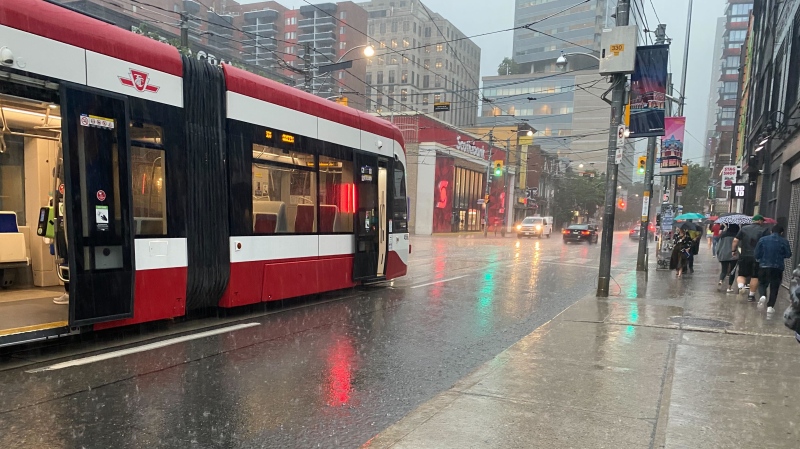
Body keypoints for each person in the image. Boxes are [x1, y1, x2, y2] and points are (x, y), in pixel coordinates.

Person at [754, 224, 792, 314]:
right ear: (782, 232)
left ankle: (763, 296)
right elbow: (788, 254)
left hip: (764, 265)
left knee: (762, 283)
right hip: (778, 267)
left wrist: (760, 258)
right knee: (774, 287)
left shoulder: (763, 240)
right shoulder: (784, 241)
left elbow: (757, 254)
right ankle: (770, 307)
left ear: (771, 231)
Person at [732, 214, 770, 301]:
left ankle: (741, 287)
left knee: (741, 274)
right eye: (762, 221)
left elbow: (735, 240)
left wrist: (733, 251)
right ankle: (751, 296)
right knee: (755, 276)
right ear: (760, 221)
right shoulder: (765, 230)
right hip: (757, 257)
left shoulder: (744, 229)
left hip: (744, 255)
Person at [716, 223, 740, 292]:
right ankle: (729, 288)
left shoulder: (723, 235)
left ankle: (720, 281)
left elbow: (718, 245)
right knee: (732, 271)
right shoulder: (737, 236)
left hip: (723, 254)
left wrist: (718, 253)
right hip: (734, 255)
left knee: (723, 270)